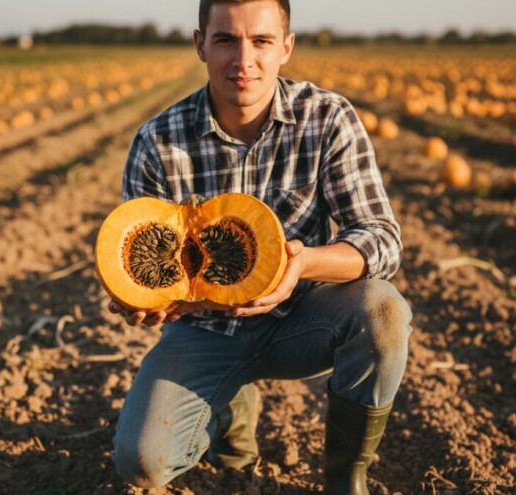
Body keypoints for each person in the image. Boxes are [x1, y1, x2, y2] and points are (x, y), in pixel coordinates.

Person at [108, 1, 413, 493]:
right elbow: (149, 264)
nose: (243, 60)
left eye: (261, 41)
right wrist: (140, 298)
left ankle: (345, 479)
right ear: (200, 45)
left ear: (286, 47)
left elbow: (380, 237)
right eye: (226, 40)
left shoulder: (327, 118)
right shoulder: (157, 142)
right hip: (204, 328)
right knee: (142, 463)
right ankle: (231, 407)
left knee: (383, 310)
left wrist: (303, 263)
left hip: (302, 319)